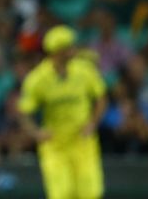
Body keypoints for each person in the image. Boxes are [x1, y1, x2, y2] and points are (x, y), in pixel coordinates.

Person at [18, 25, 107, 199]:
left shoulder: (84, 71)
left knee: (91, 193)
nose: (73, 50)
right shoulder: (38, 79)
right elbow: (23, 111)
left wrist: (93, 123)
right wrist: (36, 133)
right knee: (61, 194)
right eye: (68, 47)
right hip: (55, 145)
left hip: (83, 141)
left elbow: (101, 98)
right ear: (57, 51)